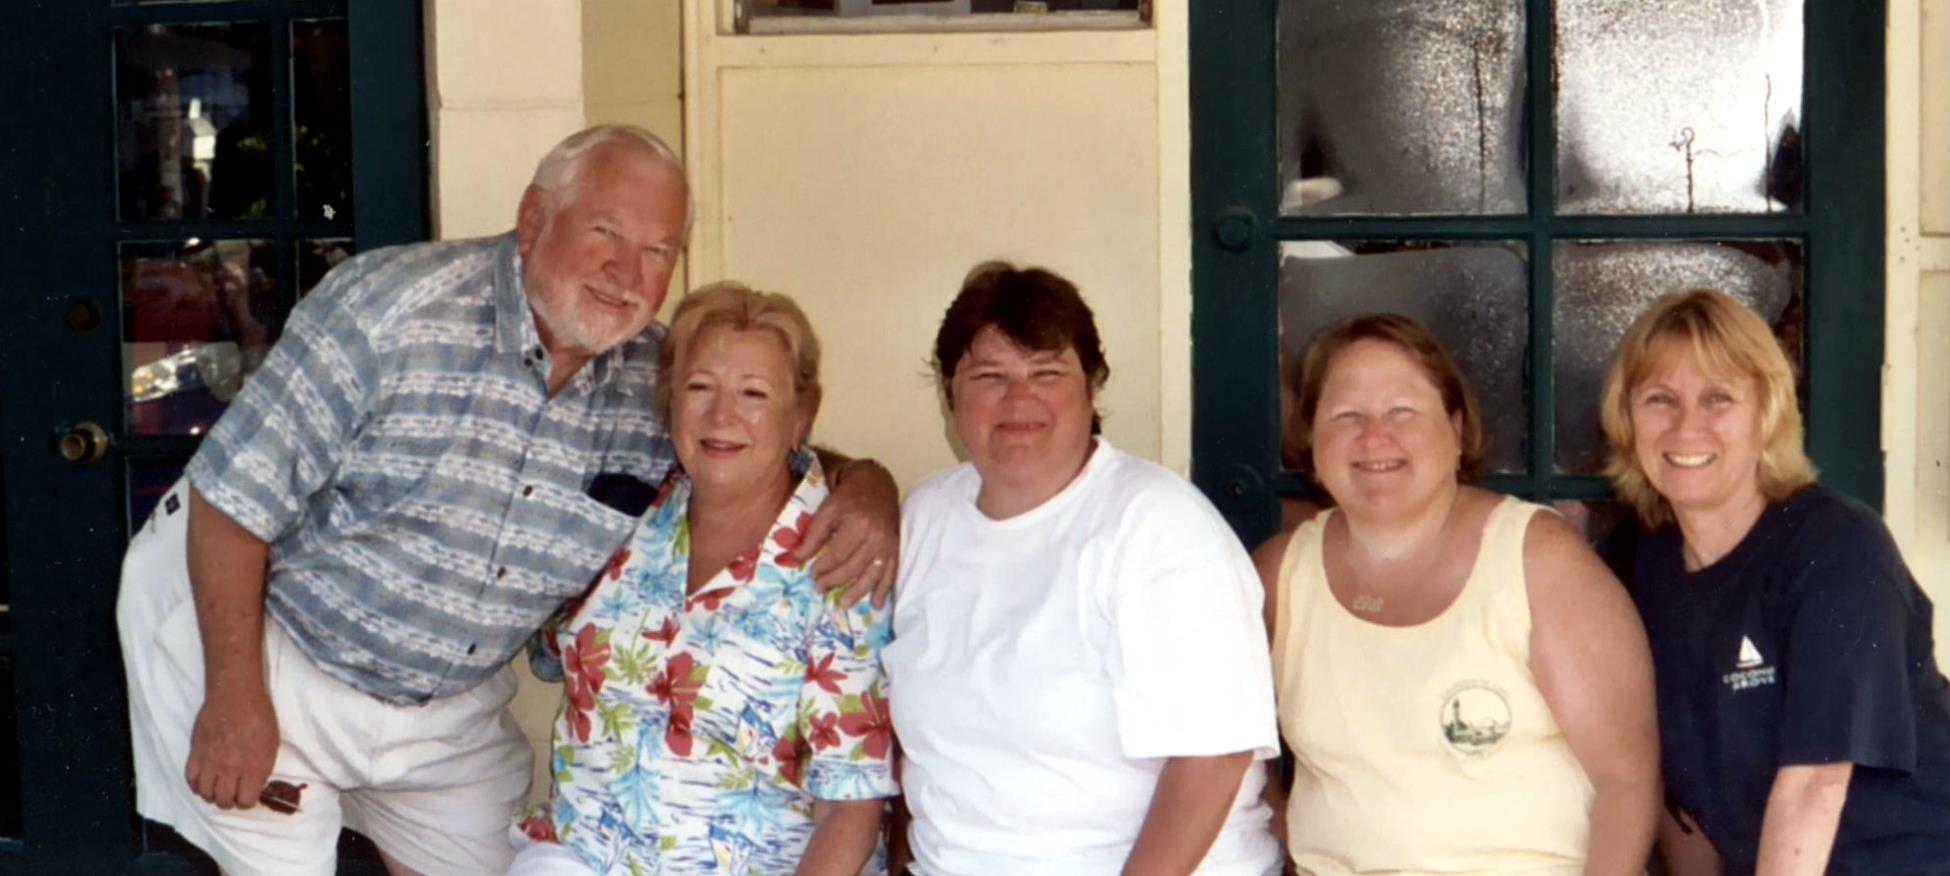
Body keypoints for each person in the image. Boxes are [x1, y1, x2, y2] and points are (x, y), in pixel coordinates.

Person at [115, 125, 900, 875]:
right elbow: (231, 503)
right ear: (533, 220)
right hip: (269, 641)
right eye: (605, 232)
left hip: (444, 700)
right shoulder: (389, 309)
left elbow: (755, 446)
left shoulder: (657, 378)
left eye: (658, 251)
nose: (626, 273)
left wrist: (870, 486)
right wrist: (233, 699)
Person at [885, 262, 1282, 875]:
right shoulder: (925, 516)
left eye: (1047, 373)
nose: (1019, 399)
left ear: (1091, 387)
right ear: (950, 393)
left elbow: (1212, 759)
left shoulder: (1156, 522)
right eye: (989, 376)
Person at [509, 283, 896, 874]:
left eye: (753, 393)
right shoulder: (628, 515)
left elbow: (850, 809)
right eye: (699, 388)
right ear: (670, 404)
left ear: (800, 417)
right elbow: (546, 648)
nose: (722, 416)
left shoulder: (840, 557)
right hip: (583, 853)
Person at [1256, 313, 1659, 874]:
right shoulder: (1280, 576)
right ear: (1311, 439)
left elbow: (1627, 781)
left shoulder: (1538, 560)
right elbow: (1231, 762)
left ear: (1456, 426)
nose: (1375, 436)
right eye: (1347, 415)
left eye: (1403, 411)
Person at [1598, 289, 1950, 874]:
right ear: (1626, 416)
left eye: (1718, 398)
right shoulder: (1635, 564)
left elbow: (1815, 784)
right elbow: (1682, 806)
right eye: (1660, 399)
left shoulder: (1837, 548)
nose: (1687, 426)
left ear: (1767, 413)